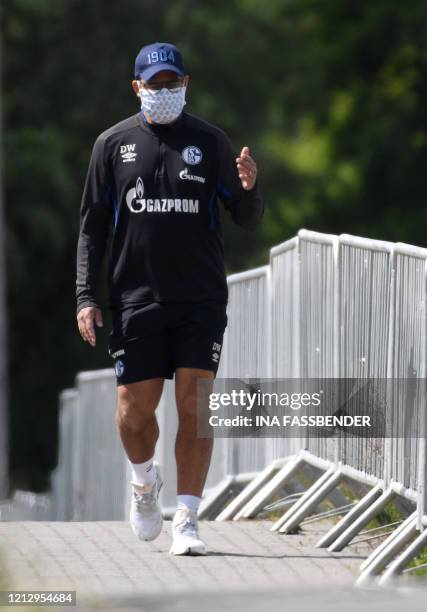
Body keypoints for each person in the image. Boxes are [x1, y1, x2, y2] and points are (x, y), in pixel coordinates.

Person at [76, 42, 263, 555]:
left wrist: (249, 189)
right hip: (136, 298)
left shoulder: (210, 141)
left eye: (172, 83)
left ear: (187, 82)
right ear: (136, 88)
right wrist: (85, 296)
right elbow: (93, 228)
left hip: (200, 299)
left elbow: (244, 216)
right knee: (134, 412)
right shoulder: (112, 145)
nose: (164, 92)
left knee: (195, 407)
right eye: (154, 85)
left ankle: (188, 518)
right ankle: (144, 483)